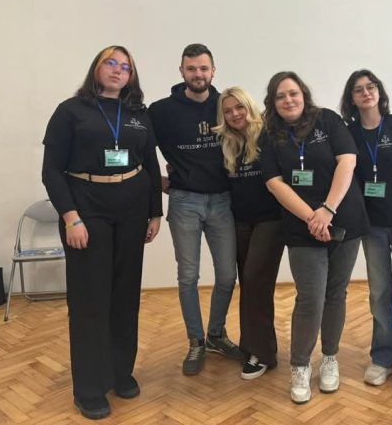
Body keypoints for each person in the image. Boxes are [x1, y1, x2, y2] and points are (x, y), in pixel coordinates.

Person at [41, 46, 162, 420]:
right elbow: (51, 171)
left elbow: (150, 164)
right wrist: (71, 218)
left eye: (125, 67)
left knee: (125, 295)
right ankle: (90, 388)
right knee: (90, 300)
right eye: (110, 63)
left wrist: (155, 212)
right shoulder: (70, 111)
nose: (117, 70)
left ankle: (120, 373)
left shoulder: (138, 114)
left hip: (132, 208)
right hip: (87, 209)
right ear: (96, 67)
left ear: (131, 76)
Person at [260, 71, 369, 404]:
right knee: (310, 297)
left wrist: (328, 209)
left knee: (336, 293)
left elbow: (347, 162)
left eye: (293, 93)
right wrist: (313, 217)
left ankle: (330, 358)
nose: (288, 100)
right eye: (280, 96)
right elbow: (274, 183)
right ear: (273, 102)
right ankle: (300, 365)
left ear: (303, 94)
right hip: (302, 226)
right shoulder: (270, 133)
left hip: (343, 218)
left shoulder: (328, 120)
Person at [148, 43, 243, 376]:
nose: (198, 74)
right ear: (182, 72)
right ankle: (196, 341)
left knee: (228, 275)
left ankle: (216, 334)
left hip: (223, 200)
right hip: (184, 202)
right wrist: (158, 181)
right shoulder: (161, 111)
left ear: (213, 71)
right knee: (188, 276)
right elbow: (140, 150)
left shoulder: (226, 105)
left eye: (204, 68)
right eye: (191, 69)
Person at [340, 69, 392, 392]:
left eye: (371, 86)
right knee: (379, 294)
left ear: (379, 92)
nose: (366, 92)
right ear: (352, 98)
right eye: (359, 89)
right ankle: (382, 358)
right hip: (371, 224)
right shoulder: (348, 133)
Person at [213, 87, 285, 380]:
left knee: (256, 280)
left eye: (239, 107)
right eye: (228, 111)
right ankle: (254, 346)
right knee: (249, 283)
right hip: (240, 222)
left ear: (249, 107)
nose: (234, 114)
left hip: (271, 221)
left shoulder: (268, 136)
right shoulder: (228, 143)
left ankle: (262, 353)